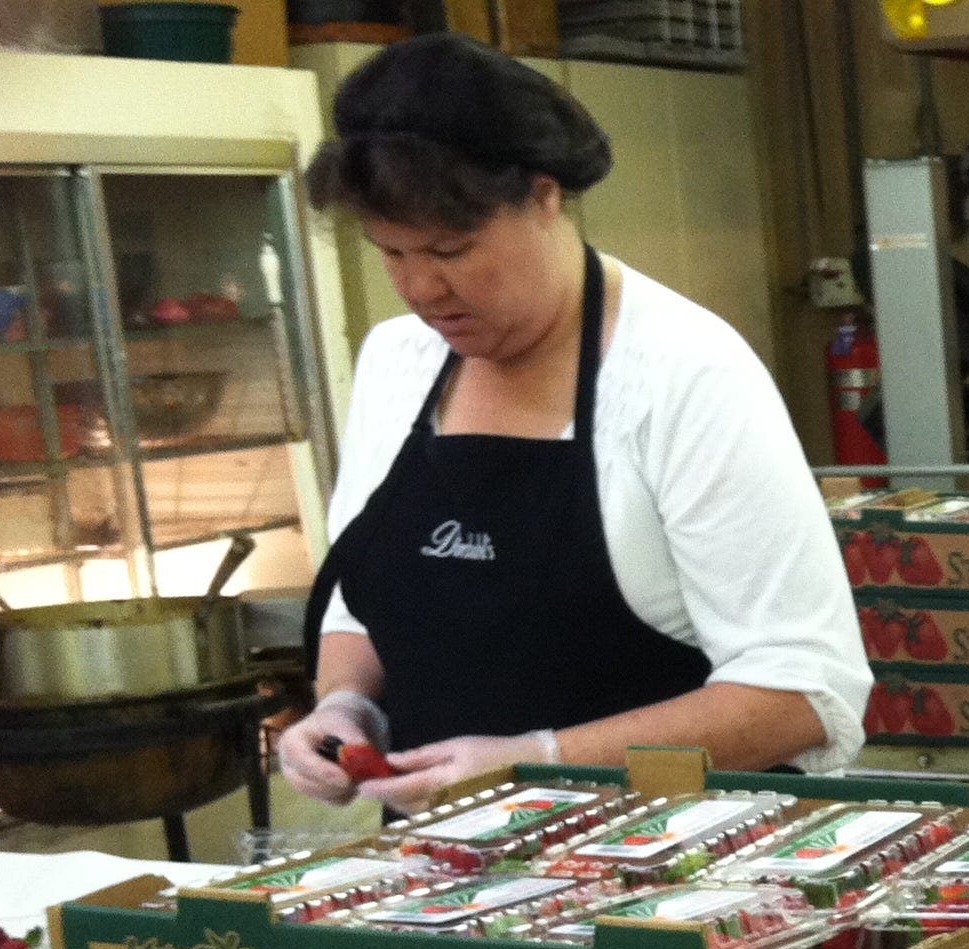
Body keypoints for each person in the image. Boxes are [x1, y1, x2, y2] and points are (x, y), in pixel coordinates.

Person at [284, 34, 868, 813]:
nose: (421, 287)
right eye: (390, 253)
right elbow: (366, 599)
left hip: (674, 872)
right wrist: (345, 709)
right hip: (448, 877)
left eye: (451, 248)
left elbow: (801, 693)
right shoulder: (398, 362)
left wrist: (546, 762)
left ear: (545, 196)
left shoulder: (684, 373)